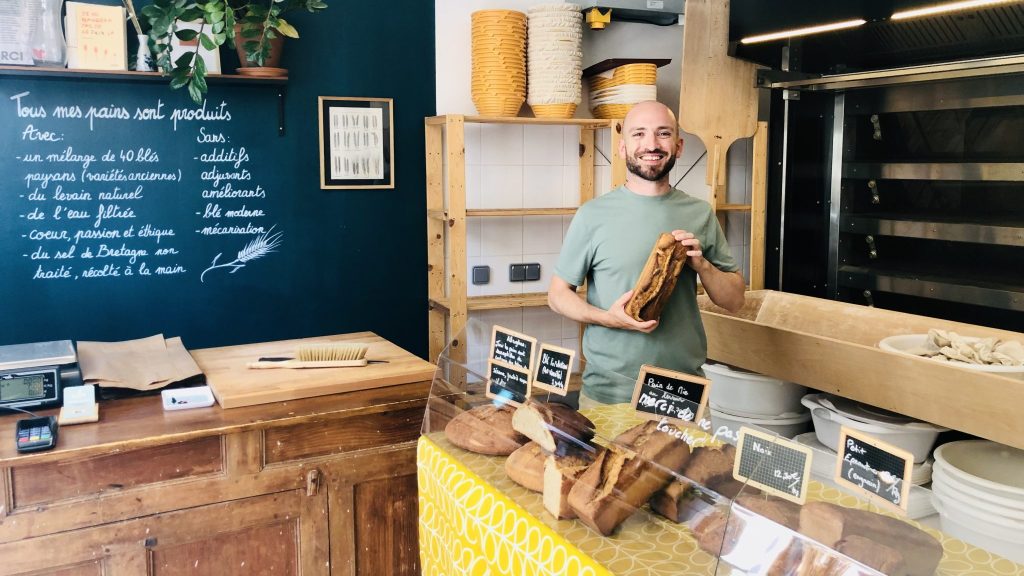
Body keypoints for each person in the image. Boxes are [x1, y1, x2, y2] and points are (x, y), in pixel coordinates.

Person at [548, 100, 746, 407]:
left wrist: (702, 265)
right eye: (639, 134)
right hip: (611, 392)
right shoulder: (593, 215)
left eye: (663, 133)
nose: (651, 144)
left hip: (680, 390)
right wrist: (609, 319)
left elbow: (734, 300)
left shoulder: (700, 214)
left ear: (678, 147)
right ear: (623, 148)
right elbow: (557, 295)